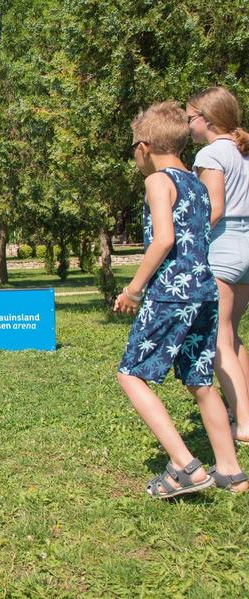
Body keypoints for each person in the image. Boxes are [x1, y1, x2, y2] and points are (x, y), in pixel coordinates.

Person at [115, 101, 247, 497]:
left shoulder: (157, 181)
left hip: (171, 294)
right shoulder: (196, 182)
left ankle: (186, 466)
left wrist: (133, 289)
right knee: (200, 380)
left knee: (131, 374)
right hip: (206, 292)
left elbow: (164, 240)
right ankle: (231, 471)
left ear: (144, 147)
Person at [187, 86, 249, 446]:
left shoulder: (211, 154)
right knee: (233, 333)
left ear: (207, 121)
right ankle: (243, 409)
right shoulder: (243, 152)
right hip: (247, 245)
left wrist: (189, 244)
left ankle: (242, 422)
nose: (188, 125)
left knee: (218, 336)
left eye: (190, 118)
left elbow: (214, 208)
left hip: (224, 244)